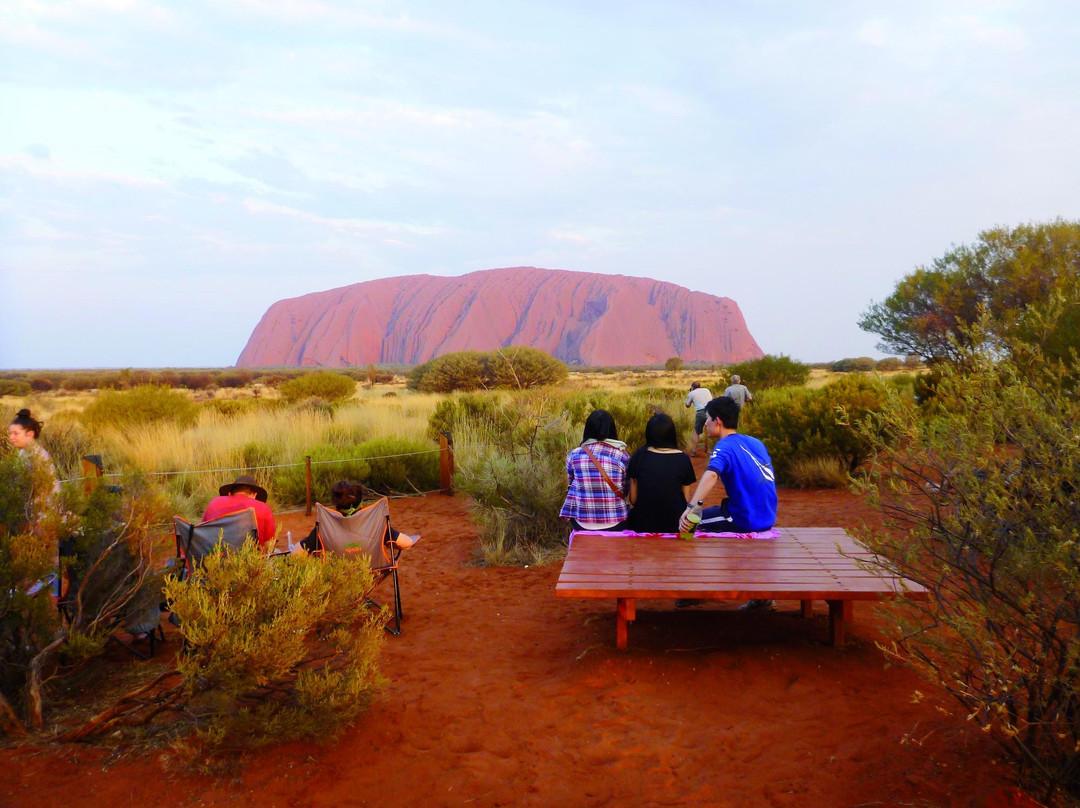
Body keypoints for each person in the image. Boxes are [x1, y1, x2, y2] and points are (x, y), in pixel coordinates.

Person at [677, 396, 777, 610]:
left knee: (687, 527)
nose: (705, 423)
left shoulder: (724, 447)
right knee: (711, 518)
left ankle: (695, 590)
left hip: (744, 517)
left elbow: (711, 475)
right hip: (766, 515)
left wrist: (691, 507)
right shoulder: (755, 442)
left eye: (708, 419)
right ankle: (760, 597)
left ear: (718, 421)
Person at [298, 479, 417, 553]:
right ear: (360, 501)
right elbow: (407, 543)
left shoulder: (325, 528)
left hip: (337, 580)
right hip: (371, 574)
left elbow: (295, 554)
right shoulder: (375, 524)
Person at [559, 409, 630, 531]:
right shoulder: (623, 456)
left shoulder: (573, 455)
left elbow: (571, 484)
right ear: (612, 429)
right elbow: (625, 489)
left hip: (581, 522)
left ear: (587, 429)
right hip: (615, 521)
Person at [626, 413, 697, 533]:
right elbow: (685, 499)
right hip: (675, 524)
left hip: (642, 524)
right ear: (672, 433)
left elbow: (633, 499)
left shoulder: (639, 456)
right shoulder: (683, 459)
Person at [202, 474, 277, 548]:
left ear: (229, 494)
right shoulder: (263, 508)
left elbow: (203, 533)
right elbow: (269, 546)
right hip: (251, 559)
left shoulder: (214, 503)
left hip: (216, 557)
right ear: (255, 495)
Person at [684, 381, 713, 457]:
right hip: (711, 411)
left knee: (697, 432)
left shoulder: (692, 393)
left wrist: (691, 393)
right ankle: (709, 450)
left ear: (692, 387)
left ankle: (694, 451)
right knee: (710, 431)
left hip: (701, 412)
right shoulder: (706, 390)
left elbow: (687, 405)